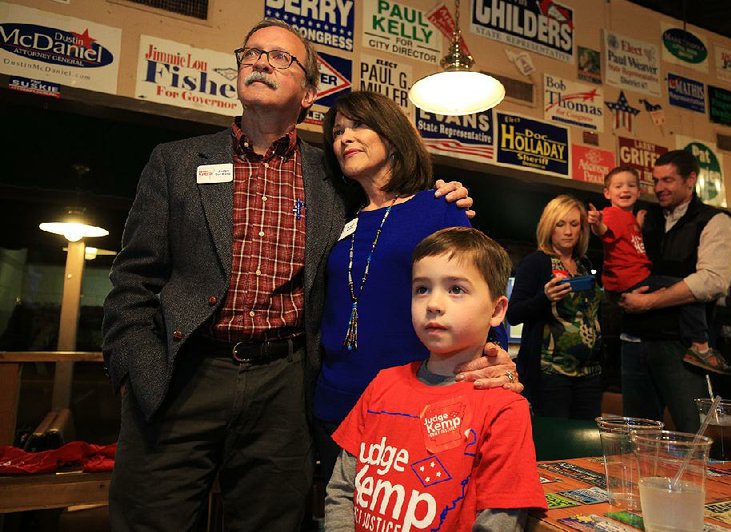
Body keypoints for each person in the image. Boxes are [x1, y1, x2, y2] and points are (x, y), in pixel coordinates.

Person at [102, 19, 471, 531]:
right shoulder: (177, 161)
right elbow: (133, 281)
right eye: (252, 52)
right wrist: (135, 370)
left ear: (310, 92)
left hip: (285, 384)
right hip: (185, 375)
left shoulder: (334, 174)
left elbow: (392, 206)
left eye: (281, 58)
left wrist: (442, 195)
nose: (261, 61)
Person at [313, 91, 518, 487]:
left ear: (391, 136)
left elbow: (477, 290)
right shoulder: (337, 218)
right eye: (338, 132)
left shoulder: (439, 206)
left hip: (417, 403)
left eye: (358, 125)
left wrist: (494, 351)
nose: (344, 138)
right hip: (335, 402)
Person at [325, 227, 547, 531]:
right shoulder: (382, 384)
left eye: (456, 289)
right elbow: (341, 489)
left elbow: (499, 520)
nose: (433, 304)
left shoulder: (505, 408)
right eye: (422, 289)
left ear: (496, 310)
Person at [619, 150, 731, 433]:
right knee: (635, 438)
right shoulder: (646, 218)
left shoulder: (716, 220)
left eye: (668, 180)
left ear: (691, 179)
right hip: (635, 342)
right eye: (656, 180)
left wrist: (647, 302)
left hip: (684, 348)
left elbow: (712, 281)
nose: (659, 188)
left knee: (697, 435)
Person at [588, 166, 731, 374]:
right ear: (607, 193)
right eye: (618, 186)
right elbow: (603, 231)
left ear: (639, 192)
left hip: (633, 281)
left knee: (688, 288)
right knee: (690, 288)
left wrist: (636, 223)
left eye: (631, 185)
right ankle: (700, 347)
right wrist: (597, 223)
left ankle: (699, 346)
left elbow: (626, 240)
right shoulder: (611, 214)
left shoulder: (630, 218)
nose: (625, 190)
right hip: (630, 280)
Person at [507, 195, 603, 418]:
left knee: (585, 444)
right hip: (550, 373)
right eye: (560, 224)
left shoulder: (585, 265)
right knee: (554, 442)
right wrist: (545, 297)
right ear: (550, 227)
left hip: (589, 373)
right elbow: (513, 314)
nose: (568, 231)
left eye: (574, 224)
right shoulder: (536, 262)